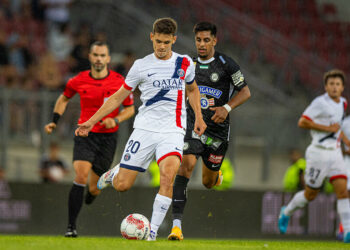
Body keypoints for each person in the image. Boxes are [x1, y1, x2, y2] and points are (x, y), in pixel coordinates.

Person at [75, 17, 206, 241]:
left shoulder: (185, 63)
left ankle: (152, 234)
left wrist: (199, 117)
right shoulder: (141, 66)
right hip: (144, 130)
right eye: (158, 41)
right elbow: (118, 97)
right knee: (123, 185)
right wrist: (91, 120)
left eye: (166, 42)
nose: (162, 46)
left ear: (173, 40)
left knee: (167, 176)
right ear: (151, 37)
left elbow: (193, 90)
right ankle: (114, 173)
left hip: (172, 130)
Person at [167, 21, 251, 241]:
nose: (201, 44)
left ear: (215, 40)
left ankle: (216, 175)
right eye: (198, 40)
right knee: (186, 166)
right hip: (193, 124)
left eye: (206, 40)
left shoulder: (226, 64)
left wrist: (226, 107)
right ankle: (176, 226)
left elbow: (245, 92)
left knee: (207, 182)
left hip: (218, 130)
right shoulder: (188, 63)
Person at [44, 41, 135, 237]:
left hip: (108, 139)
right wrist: (54, 121)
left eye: (103, 55)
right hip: (85, 134)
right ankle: (71, 228)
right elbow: (63, 98)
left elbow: (130, 109)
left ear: (108, 59)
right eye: (96, 55)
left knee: (94, 187)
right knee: (80, 175)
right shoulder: (79, 79)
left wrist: (116, 119)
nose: (99, 59)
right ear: (90, 57)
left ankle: (92, 194)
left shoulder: (119, 81)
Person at [278, 69, 350, 243]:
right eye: (331, 84)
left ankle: (347, 231)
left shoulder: (343, 103)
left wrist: (347, 143)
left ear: (342, 87)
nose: (334, 87)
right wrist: (327, 129)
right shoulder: (319, 102)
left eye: (337, 84)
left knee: (342, 191)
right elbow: (302, 122)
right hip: (318, 153)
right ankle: (286, 212)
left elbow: (338, 128)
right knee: (310, 194)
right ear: (326, 87)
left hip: (335, 153)